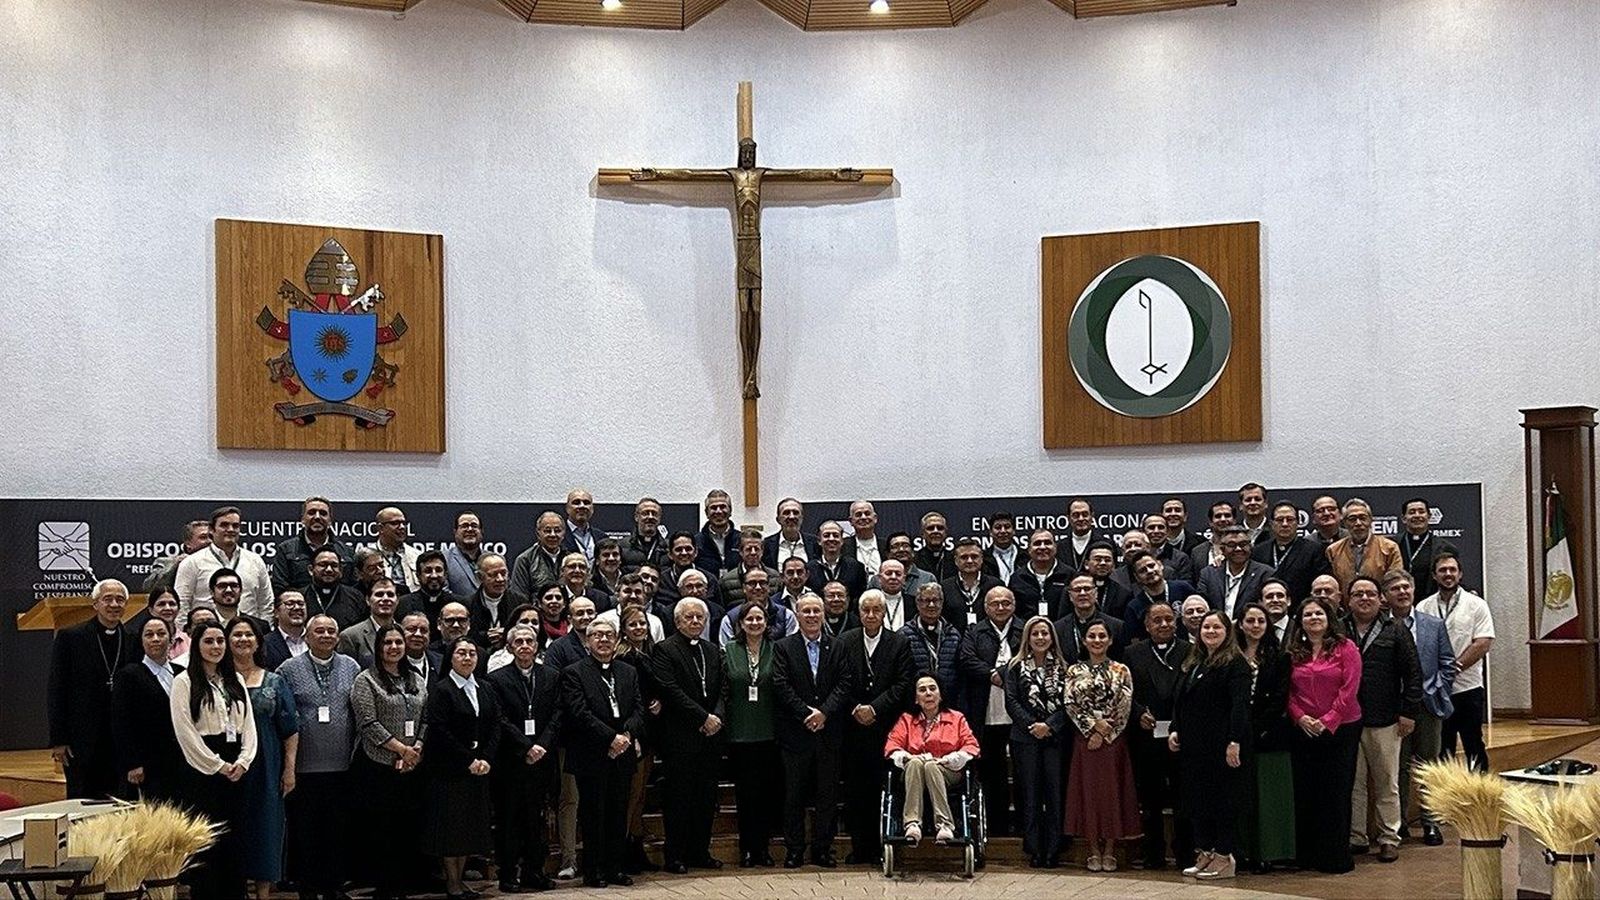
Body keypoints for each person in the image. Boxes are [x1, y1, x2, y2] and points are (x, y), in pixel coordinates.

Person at [170, 620, 257, 899]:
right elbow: (186, 733)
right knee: (208, 841)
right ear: (196, 646)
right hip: (202, 769)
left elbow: (249, 727)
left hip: (236, 768)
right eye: (209, 641)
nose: (216, 646)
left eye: (220, 641)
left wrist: (244, 760)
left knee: (235, 838)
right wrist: (217, 765)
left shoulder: (235, 680)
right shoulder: (183, 682)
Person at [1344, 574, 1422, 863]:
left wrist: (1408, 713)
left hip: (1387, 719)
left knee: (1388, 781)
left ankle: (1389, 837)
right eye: (1358, 594)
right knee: (1355, 782)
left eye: (1370, 594)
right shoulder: (1339, 629)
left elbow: (1413, 674)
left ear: (1381, 599)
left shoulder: (1397, 629)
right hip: (1348, 720)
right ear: (1348, 600)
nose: (1364, 598)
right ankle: (1357, 837)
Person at [561, 619, 645, 888]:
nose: (604, 640)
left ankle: (614, 868)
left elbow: (638, 710)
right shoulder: (574, 672)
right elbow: (579, 713)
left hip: (623, 753)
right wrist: (611, 738)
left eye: (609, 635)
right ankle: (593, 870)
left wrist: (627, 735)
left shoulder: (628, 671)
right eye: (597, 635)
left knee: (618, 812)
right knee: (593, 814)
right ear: (587, 641)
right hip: (592, 753)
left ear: (617, 639)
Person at [350, 623, 430, 900]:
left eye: (398, 642)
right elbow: (367, 723)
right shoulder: (366, 679)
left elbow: (425, 719)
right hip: (377, 765)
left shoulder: (416, 678)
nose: (394, 647)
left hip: (411, 765)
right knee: (382, 830)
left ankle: (404, 884)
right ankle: (384, 887)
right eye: (388, 643)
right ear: (379, 647)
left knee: (407, 827)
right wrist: (401, 749)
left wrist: (416, 748)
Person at [834, 591, 914, 864]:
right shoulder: (844, 641)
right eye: (865, 610)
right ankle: (861, 847)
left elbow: (903, 684)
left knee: (885, 788)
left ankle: (884, 845)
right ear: (859, 612)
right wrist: (856, 708)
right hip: (853, 729)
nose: (870, 615)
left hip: (886, 728)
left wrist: (875, 708)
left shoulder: (899, 643)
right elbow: (839, 681)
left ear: (883, 613)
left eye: (876, 610)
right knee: (856, 790)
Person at [1170, 611, 1251, 880]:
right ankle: (1204, 852)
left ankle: (1224, 857)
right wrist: (1175, 729)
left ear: (1228, 632)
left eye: (1217, 627)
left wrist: (1234, 741)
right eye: (1207, 626)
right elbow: (1182, 700)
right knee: (1197, 800)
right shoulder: (1195, 661)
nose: (1211, 631)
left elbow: (1240, 707)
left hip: (1221, 745)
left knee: (1223, 802)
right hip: (1194, 747)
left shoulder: (1236, 663)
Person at [1286, 596, 1363, 874]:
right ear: (1300, 621)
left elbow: (1349, 688)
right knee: (1307, 792)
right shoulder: (1295, 651)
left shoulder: (1346, 647)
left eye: (1319, 613)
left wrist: (1328, 720)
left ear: (1329, 618)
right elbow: (1288, 691)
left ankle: (1335, 856)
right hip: (1304, 730)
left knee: (1336, 792)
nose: (1313, 618)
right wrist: (1300, 717)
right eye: (1307, 615)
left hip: (1341, 729)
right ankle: (1309, 855)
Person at [225, 616, 299, 900]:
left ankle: (263, 894)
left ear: (258, 641)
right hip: (227, 766)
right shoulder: (218, 680)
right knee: (233, 827)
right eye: (237, 635)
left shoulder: (274, 681)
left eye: (249, 635)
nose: (243, 640)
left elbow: (290, 730)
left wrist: (289, 769)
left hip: (267, 766)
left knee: (265, 827)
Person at [652, 597, 729, 872]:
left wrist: (717, 716)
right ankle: (675, 855)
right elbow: (670, 690)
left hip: (710, 737)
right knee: (679, 799)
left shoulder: (712, 649)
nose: (695, 622)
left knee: (706, 799)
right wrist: (703, 717)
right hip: (680, 737)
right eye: (689, 617)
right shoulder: (664, 650)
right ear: (677, 621)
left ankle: (700, 851)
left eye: (699, 617)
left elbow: (723, 688)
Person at [486, 623, 561, 893]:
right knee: (508, 820)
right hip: (511, 761)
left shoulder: (551, 676)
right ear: (510, 646)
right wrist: (526, 746)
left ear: (537, 645)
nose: (525, 646)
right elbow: (500, 719)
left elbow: (556, 715)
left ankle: (534, 871)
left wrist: (541, 745)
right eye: (519, 642)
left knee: (536, 819)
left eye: (530, 641)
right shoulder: (497, 679)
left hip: (542, 759)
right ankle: (508, 873)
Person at [49, 578, 141, 798]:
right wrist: (59, 740)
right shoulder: (70, 637)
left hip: (120, 739)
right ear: (95, 604)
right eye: (107, 599)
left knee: (121, 801)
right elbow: (57, 688)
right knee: (82, 798)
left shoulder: (133, 640)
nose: (114, 605)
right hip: (81, 738)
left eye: (120, 600)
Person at [424, 637, 500, 899]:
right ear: (451, 658)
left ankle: (460, 878)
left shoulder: (485, 688)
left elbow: (495, 725)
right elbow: (440, 731)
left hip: (479, 769)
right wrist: (469, 760)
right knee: (450, 830)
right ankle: (452, 881)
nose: (467, 658)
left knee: (469, 828)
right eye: (461, 653)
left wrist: (486, 758)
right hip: (451, 770)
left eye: (472, 653)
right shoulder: (442, 689)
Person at [1384, 569, 1456, 846]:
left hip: (1427, 705)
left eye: (1406, 587)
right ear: (1386, 596)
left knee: (1429, 767)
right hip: (1394, 709)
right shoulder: (1382, 625)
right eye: (1395, 589)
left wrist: (1437, 690)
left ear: (1413, 590)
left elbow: (1448, 663)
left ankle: (1431, 823)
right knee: (1397, 769)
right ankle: (1398, 824)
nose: (1402, 592)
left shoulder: (1433, 624)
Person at [771, 594, 842, 868]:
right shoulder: (783, 647)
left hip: (828, 733)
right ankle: (794, 850)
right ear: (797, 615)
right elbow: (780, 684)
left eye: (816, 611)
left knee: (827, 796)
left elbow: (844, 683)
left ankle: (823, 849)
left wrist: (824, 712)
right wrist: (806, 713)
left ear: (823, 614)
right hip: (795, 734)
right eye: (806, 611)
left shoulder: (837, 646)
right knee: (794, 796)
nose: (812, 616)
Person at [1064, 619, 1140, 872]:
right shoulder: (1073, 671)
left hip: (1112, 743)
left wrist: (1106, 732)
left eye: (1101, 636)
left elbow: (1125, 705)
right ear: (1084, 641)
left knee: (1111, 795)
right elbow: (1070, 704)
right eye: (1092, 636)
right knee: (1089, 795)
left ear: (1109, 640)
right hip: (1085, 742)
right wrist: (1092, 729)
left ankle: (1109, 850)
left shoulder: (1122, 670)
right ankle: (1093, 850)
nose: (1097, 641)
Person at [1126, 601, 1192, 869]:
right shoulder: (1133, 653)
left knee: (1182, 798)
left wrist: (1179, 721)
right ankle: (1153, 853)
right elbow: (1126, 690)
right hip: (1146, 735)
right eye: (1158, 620)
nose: (1164, 624)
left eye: (1168, 619)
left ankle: (1185, 852)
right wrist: (1139, 712)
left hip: (1180, 735)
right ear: (1147, 625)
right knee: (1150, 799)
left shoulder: (1189, 651)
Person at [1416, 550, 1494, 773]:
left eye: (1452, 570)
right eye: (1442, 570)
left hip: (1467, 688)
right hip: (1435, 691)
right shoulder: (1424, 607)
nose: (1447, 574)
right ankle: (1445, 801)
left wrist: (1451, 670)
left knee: (1473, 744)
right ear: (1434, 575)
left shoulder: (1476, 605)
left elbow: (1482, 643)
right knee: (1442, 748)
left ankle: (1481, 797)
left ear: (1460, 574)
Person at [957, 585, 1023, 837]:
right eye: (995, 603)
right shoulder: (975, 631)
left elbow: (1030, 655)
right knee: (991, 771)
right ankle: (996, 828)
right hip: (985, 711)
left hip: (1018, 713)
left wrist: (1005, 674)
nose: (1001, 607)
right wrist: (991, 674)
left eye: (1006, 603)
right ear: (985, 607)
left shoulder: (1023, 628)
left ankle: (1022, 826)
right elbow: (966, 659)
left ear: (1013, 605)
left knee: (1021, 772)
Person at [1234, 602, 1295, 871]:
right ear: (1241, 624)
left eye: (1261, 621)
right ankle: (1244, 851)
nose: (1256, 626)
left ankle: (1269, 852)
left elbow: (1281, 697)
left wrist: (1257, 727)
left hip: (1269, 736)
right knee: (1243, 797)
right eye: (1250, 621)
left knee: (1269, 798)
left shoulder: (1280, 656)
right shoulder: (1231, 657)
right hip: (1236, 737)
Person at [1004, 616, 1069, 868]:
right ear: (1027, 638)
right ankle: (1034, 848)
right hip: (1025, 738)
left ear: (1052, 637)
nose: (1040, 638)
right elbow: (1011, 701)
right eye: (1035, 634)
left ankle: (1053, 848)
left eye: (1045, 633)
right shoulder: (1014, 666)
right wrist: (1033, 726)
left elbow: (1069, 703)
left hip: (1055, 738)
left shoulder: (1064, 667)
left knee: (1054, 793)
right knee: (1029, 794)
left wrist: (1049, 726)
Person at [884, 674, 980, 845]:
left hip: (947, 771)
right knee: (916, 763)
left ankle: (944, 825)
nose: (928, 693)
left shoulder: (956, 718)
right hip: (914, 771)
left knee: (931, 766)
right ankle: (912, 824)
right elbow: (892, 746)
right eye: (922, 690)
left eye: (932, 688)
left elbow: (971, 746)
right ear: (915, 698)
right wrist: (907, 757)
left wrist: (950, 759)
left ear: (940, 695)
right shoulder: (906, 720)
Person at [724, 602, 781, 867]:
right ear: (741, 623)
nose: (755, 623)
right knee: (745, 796)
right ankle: (747, 850)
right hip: (739, 733)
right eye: (750, 619)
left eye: (760, 618)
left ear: (767, 623)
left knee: (767, 795)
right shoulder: (729, 651)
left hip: (769, 732)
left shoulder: (777, 650)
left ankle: (763, 850)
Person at [111, 615, 186, 801]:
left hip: (180, 760)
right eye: (149, 634)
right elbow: (121, 722)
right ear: (141, 640)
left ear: (170, 638)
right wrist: (132, 763)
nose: (155, 639)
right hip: (146, 764)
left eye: (161, 634)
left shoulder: (182, 673)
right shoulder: (128, 675)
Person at [614, 604, 662, 873]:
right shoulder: (625, 658)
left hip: (650, 731)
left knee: (640, 795)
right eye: (633, 625)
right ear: (624, 629)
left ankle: (636, 847)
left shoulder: (649, 652)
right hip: (634, 732)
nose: (639, 628)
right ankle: (622, 852)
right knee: (630, 797)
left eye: (642, 623)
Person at [175, 506, 273, 621]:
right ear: (211, 529)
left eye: (235, 526)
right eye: (224, 525)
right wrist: (186, 635)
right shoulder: (192, 562)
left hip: (247, 634)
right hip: (207, 635)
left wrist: (264, 633)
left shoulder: (255, 561)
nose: (231, 529)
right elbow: (181, 604)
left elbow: (266, 603)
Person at [271, 496, 356, 595]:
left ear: (330, 521)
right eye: (311, 513)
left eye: (323, 513)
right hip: (301, 608)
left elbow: (353, 590)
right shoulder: (286, 550)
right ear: (302, 519)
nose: (317, 517)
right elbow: (280, 587)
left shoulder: (346, 552)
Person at [1253, 501, 1331, 604]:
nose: (1285, 524)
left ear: (1298, 523)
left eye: (1290, 520)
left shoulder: (1314, 550)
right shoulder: (1258, 551)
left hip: (1300, 611)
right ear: (1272, 524)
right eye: (1280, 520)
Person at [1197, 526, 1274, 618]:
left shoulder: (1265, 573)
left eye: (1243, 544)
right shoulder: (1208, 574)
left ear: (1250, 546)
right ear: (1222, 549)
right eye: (1231, 545)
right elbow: (1202, 605)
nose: (1238, 549)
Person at [1325, 498, 1403, 588]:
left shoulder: (1389, 548)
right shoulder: (1333, 550)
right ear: (1345, 523)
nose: (1358, 523)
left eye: (1363, 518)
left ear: (1370, 520)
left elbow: (1395, 582)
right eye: (1352, 519)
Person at [902, 583, 962, 698]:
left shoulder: (953, 635)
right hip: (915, 700)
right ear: (918, 603)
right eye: (926, 600)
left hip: (947, 700)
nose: (931, 605)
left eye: (935, 600)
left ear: (942, 603)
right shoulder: (904, 635)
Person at [1054, 573, 1125, 662]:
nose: (1082, 593)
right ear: (1070, 596)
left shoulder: (1116, 626)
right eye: (1077, 590)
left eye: (1087, 589)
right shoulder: (1058, 628)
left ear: (1096, 593)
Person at [940, 538, 1004, 632]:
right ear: (956, 561)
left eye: (974, 556)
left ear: (982, 559)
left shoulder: (996, 585)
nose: (969, 561)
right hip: (955, 642)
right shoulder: (944, 587)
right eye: (964, 557)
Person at [1008, 529, 1071, 621]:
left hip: (1061, 631)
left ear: (1055, 547)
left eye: (1047, 542)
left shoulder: (1069, 575)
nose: (1042, 547)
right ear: (1029, 549)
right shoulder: (1017, 578)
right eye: (1037, 543)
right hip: (1027, 632)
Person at [337, 577, 400, 670]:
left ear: (397, 600)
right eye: (379, 594)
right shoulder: (350, 636)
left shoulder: (405, 633)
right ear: (367, 600)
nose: (386, 598)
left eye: (390, 594)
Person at [143, 519, 211, 595]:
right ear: (188, 543)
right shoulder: (166, 562)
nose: (209, 541)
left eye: (211, 537)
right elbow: (150, 587)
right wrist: (175, 566)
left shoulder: (222, 561)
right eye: (203, 537)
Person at [304, 549, 366, 630]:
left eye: (334, 565)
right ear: (311, 570)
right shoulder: (300, 597)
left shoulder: (356, 597)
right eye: (323, 564)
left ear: (341, 571)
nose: (329, 569)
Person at [808, 520, 868, 601]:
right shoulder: (809, 568)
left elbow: (860, 598)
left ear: (842, 540)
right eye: (826, 535)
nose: (831, 538)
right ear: (819, 541)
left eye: (836, 535)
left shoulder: (856, 567)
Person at [695, 489, 742, 574]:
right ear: (706, 513)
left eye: (722, 507)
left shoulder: (742, 540)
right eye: (713, 508)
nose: (718, 511)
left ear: (730, 511)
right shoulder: (696, 542)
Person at [764, 497, 818, 567]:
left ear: (802, 518)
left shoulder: (815, 543)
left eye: (796, 513)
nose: (792, 517)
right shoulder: (766, 545)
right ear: (778, 519)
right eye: (786, 513)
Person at [443, 510, 486, 597]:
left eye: (474, 526)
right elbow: (444, 593)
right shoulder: (444, 559)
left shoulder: (494, 559)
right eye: (464, 526)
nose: (470, 529)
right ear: (455, 532)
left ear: (481, 531)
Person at [264, 590, 309, 670]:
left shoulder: (317, 639)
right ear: (276, 612)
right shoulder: (265, 644)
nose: (297, 607)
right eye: (290, 604)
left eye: (301, 604)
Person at [981, 511, 1021, 583]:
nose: (1003, 531)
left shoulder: (1026, 556)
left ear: (1014, 530)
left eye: (1007, 527)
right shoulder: (983, 558)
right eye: (998, 527)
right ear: (990, 532)